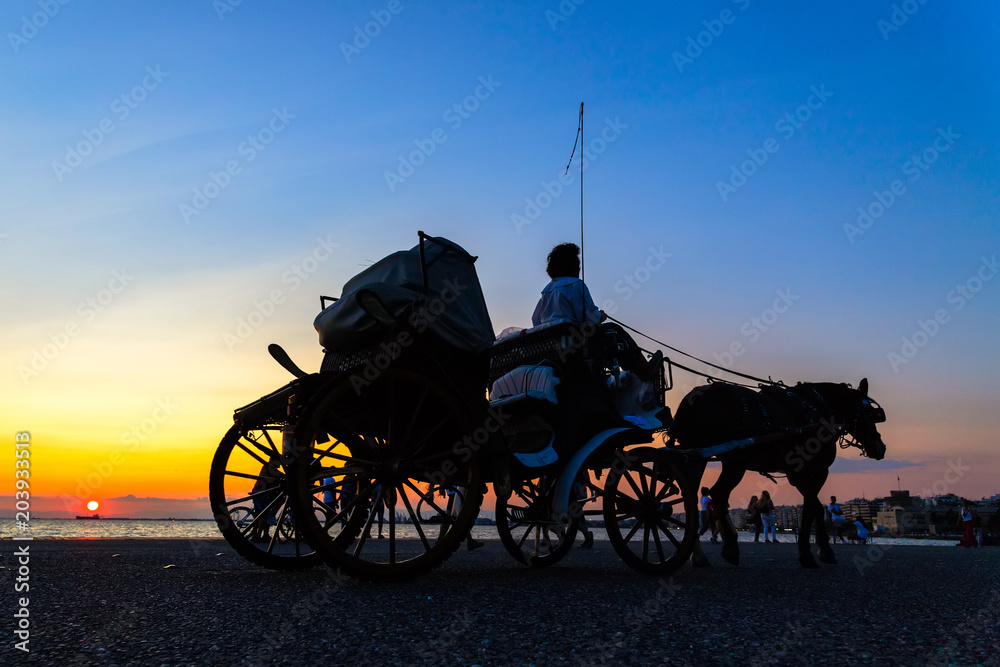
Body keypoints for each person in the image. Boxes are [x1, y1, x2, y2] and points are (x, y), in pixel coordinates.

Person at [531, 243, 605, 327]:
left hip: (550, 335)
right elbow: (588, 318)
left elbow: (535, 320)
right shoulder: (576, 284)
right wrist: (600, 316)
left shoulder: (546, 291)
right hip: (573, 334)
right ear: (575, 267)